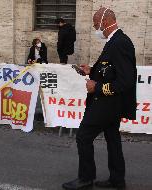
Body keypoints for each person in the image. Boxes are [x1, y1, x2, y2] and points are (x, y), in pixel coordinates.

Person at [62, 7, 137, 190]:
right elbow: (110, 70)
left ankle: (86, 178)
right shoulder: (114, 41)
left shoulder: (120, 43)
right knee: (113, 140)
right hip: (111, 104)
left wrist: (97, 87)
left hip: (107, 103)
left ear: (104, 22)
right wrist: (92, 71)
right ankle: (117, 180)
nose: (95, 28)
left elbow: (126, 80)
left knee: (83, 136)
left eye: (96, 25)